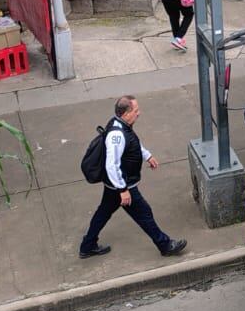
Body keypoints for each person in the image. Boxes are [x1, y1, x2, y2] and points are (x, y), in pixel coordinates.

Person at [78, 95, 188, 259]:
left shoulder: (120, 125)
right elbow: (112, 165)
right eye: (136, 111)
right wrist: (123, 189)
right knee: (143, 213)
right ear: (125, 113)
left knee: (103, 212)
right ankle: (165, 245)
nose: (139, 113)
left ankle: (87, 246)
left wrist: (147, 156)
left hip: (114, 186)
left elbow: (133, 145)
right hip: (122, 186)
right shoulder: (117, 136)